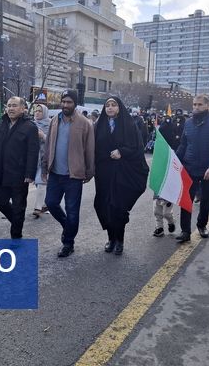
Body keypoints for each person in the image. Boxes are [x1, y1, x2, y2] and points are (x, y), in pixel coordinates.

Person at [42, 90, 95, 257]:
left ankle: (68, 242)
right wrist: (44, 166)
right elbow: (48, 145)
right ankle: (68, 226)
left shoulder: (85, 123)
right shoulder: (54, 121)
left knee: (72, 210)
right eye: (63, 101)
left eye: (69, 102)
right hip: (55, 174)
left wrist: (89, 171)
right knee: (50, 203)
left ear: (75, 104)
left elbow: (90, 150)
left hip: (74, 175)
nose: (65, 105)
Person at [94, 96, 148, 254]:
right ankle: (110, 239)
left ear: (119, 107)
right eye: (107, 106)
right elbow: (93, 147)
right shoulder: (99, 125)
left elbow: (137, 147)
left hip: (124, 172)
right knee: (105, 206)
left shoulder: (129, 124)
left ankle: (119, 240)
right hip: (104, 172)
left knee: (119, 207)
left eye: (113, 105)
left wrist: (122, 152)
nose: (110, 108)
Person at [0, 96, 39, 239]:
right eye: (9, 106)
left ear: (22, 108)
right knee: (0, 202)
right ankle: (17, 221)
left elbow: (33, 152)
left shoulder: (30, 127)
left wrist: (30, 173)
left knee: (19, 206)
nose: (11, 108)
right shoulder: (1, 123)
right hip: (0, 172)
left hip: (19, 174)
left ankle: (16, 236)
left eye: (14, 106)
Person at [175, 94, 209, 243]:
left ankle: (202, 225)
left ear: (208, 106)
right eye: (194, 105)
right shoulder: (188, 123)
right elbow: (184, 144)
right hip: (189, 167)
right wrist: (175, 161)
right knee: (186, 200)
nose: (196, 107)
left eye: (199, 105)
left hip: (208, 170)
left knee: (205, 199)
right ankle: (185, 231)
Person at [31, 104, 50, 218]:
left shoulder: (51, 125)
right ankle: (45, 204)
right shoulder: (32, 125)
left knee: (41, 181)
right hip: (34, 158)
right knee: (39, 183)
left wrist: (43, 136)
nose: (37, 113)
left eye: (40, 111)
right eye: (36, 111)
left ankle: (37, 208)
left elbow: (54, 141)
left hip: (45, 158)